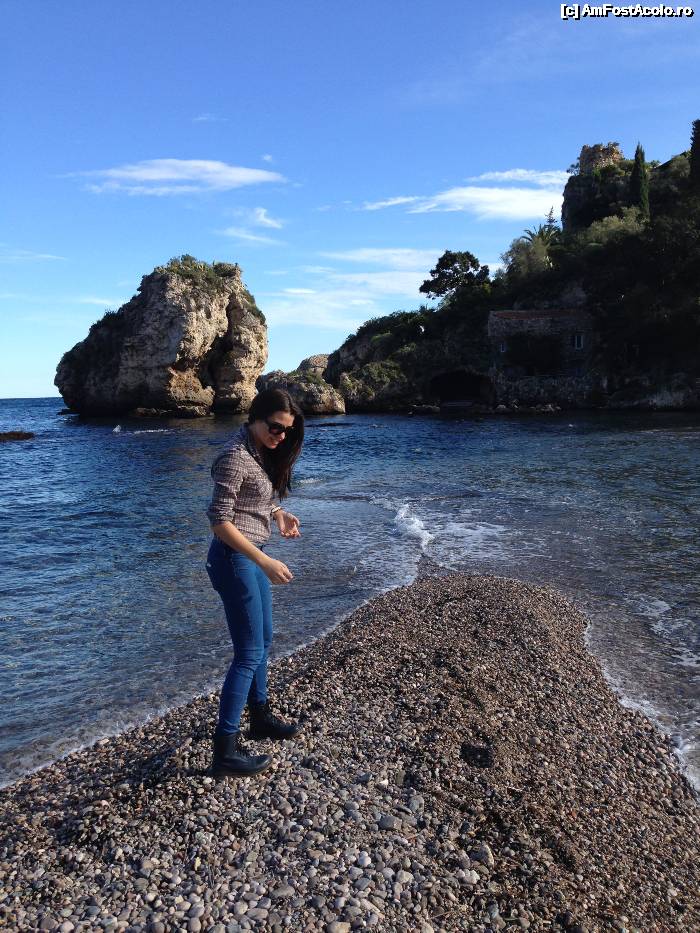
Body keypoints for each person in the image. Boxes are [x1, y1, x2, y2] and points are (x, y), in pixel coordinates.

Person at [205, 388, 304, 779]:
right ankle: (224, 751)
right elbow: (219, 520)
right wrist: (263, 561)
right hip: (236, 561)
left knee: (263, 640)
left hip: (251, 557)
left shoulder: (257, 451)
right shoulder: (234, 456)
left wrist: (278, 512)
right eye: (276, 427)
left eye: (287, 431)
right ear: (255, 418)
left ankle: (259, 718)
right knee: (247, 653)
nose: (281, 436)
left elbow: (254, 496)